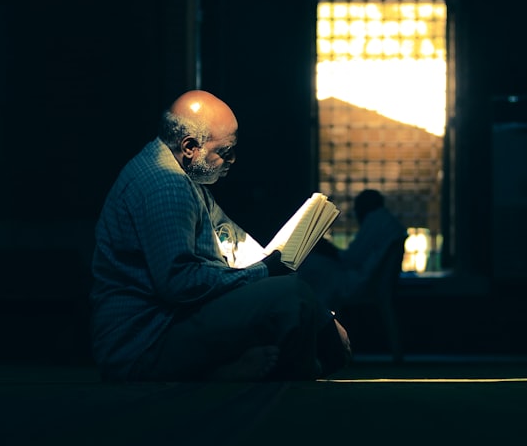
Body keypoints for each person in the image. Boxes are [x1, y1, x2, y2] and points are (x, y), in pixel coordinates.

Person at [89, 89, 352, 382]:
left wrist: (274, 275)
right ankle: (284, 378)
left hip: (167, 325)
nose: (233, 160)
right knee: (292, 297)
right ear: (190, 147)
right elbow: (180, 284)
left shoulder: (185, 177)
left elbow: (236, 245)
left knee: (288, 294)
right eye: (224, 152)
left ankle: (242, 370)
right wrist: (265, 274)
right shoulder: (167, 186)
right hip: (145, 343)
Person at [298, 189, 407, 311]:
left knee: (310, 266)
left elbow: (352, 259)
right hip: (366, 280)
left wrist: (328, 249)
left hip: (359, 282)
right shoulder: (386, 222)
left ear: (364, 206)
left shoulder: (376, 219)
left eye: (357, 209)